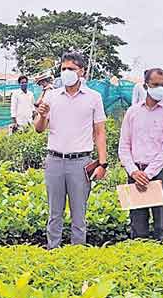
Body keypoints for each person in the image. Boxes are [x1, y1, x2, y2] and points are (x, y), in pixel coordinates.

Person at [35, 52, 108, 249]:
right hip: (54, 161)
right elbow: (39, 128)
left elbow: (100, 132)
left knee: (79, 215)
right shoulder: (51, 96)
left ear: (81, 72)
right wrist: (41, 115)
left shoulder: (94, 98)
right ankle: (53, 253)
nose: (66, 72)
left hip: (81, 162)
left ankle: (77, 256)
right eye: (63, 69)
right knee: (54, 214)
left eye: (71, 69)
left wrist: (103, 163)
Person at [118, 68, 163, 241]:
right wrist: (134, 172)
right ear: (146, 85)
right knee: (138, 224)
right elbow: (123, 146)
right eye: (155, 85)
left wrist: (147, 174)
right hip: (136, 172)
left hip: (161, 172)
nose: (160, 89)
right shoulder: (133, 112)